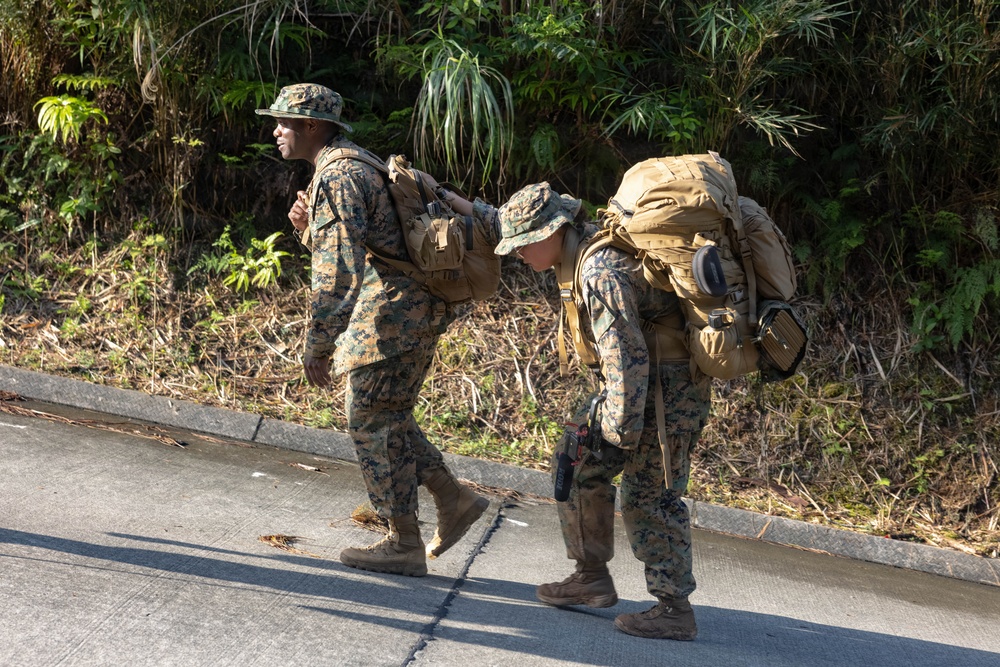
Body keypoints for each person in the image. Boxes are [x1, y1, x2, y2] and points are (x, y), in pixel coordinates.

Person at [256, 83, 489, 577]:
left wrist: (317, 345)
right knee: (385, 413)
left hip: (394, 312)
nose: (276, 131)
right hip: (410, 306)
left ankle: (403, 539)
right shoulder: (358, 162)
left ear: (313, 126)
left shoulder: (338, 176)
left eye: (285, 123)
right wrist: (305, 229)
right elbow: (358, 246)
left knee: (370, 417)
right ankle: (452, 499)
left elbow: (337, 271)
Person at [491, 182, 713, 640]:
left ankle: (675, 609)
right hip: (633, 389)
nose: (519, 255)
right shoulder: (582, 254)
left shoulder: (599, 270)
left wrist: (618, 431)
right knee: (576, 463)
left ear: (552, 232)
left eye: (523, 245)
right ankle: (590, 576)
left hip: (665, 393)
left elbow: (625, 355)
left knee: (648, 493)